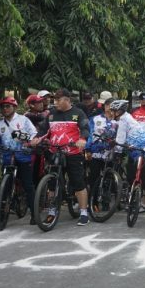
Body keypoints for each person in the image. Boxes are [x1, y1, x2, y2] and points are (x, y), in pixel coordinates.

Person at [30, 89, 91, 226]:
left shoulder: (78, 113)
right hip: (54, 152)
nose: (55, 102)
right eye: (54, 100)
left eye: (58, 100)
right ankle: (52, 211)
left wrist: (82, 139)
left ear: (67, 100)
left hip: (73, 154)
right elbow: (43, 130)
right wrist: (36, 139)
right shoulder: (51, 114)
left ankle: (83, 213)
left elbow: (85, 128)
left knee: (78, 183)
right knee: (52, 183)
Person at [0, 96, 38, 223]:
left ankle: (34, 214)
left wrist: (26, 139)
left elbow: (34, 135)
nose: (5, 109)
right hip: (7, 158)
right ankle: (2, 213)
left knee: (28, 185)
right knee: (6, 186)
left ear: (14, 107)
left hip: (23, 156)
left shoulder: (24, 120)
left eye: (8, 106)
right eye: (3, 107)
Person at [110, 99, 145, 213]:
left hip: (137, 147)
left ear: (119, 111)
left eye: (113, 111)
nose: (112, 113)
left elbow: (120, 138)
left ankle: (140, 202)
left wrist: (117, 153)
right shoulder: (127, 117)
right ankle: (139, 199)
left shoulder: (124, 120)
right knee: (136, 175)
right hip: (141, 146)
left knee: (134, 175)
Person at [84, 97, 118, 197]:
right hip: (95, 154)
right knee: (94, 178)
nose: (111, 108)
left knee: (108, 179)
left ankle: (106, 202)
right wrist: (88, 149)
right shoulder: (95, 119)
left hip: (111, 154)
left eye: (114, 106)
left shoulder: (118, 121)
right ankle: (93, 201)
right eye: (109, 105)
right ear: (105, 106)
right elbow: (90, 135)